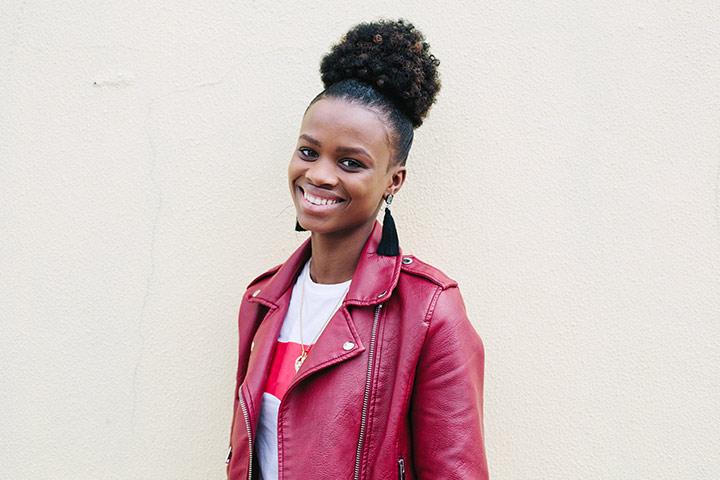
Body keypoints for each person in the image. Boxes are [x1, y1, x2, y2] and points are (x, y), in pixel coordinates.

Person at [226, 18, 488, 480]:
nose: (321, 176)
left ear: (393, 181)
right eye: (309, 152)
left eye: (350, 162)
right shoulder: (262, 301)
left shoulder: (429, 311)